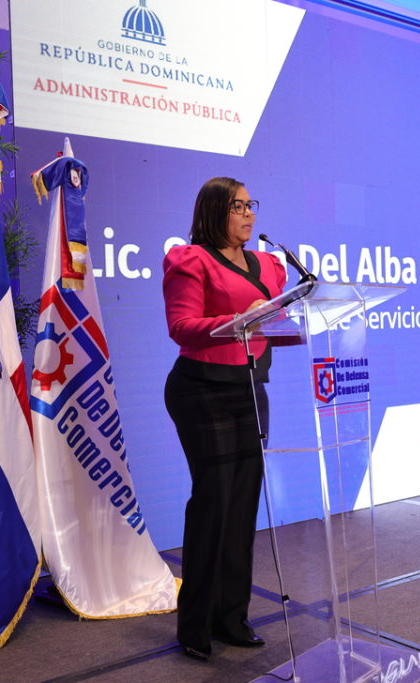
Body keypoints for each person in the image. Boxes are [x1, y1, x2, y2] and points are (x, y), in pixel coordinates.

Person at [162, 177, 288, 660]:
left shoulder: (269, 265)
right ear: (215, 211)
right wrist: (239, 322)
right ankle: (195, 624)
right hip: (201, 390)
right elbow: (181, 327)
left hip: (250, 389)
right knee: (213, 503)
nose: (249, 213)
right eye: (238, 206)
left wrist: (271, 318)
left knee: (242, 507)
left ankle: (232, 617)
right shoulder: (190, 260)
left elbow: (278, 319)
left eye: (251, 205)